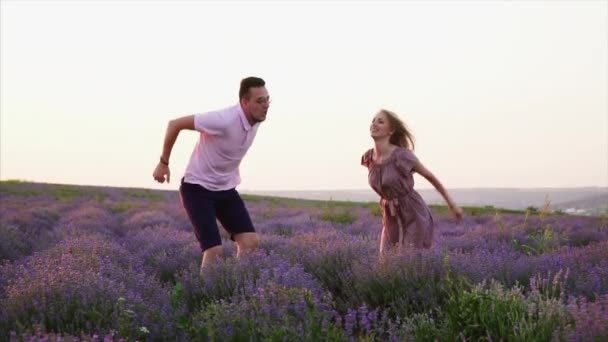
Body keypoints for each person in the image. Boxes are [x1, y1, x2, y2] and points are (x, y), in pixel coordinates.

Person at [152, 76, 270, 270]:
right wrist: (163, 163)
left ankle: (234, 287)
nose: (266, 105)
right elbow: (174, 124)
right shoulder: (223, 119)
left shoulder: (256, 119)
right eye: (260, 101)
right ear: (244, 103)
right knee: (214, 251)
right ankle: (204, 296)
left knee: (250, 242)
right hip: (197, 189)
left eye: (267, 99)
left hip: (226, 189)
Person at [361, 109, 463, 253]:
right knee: (385, 262)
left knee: (409, 261)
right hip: (390, 216)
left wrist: (452, 205)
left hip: (413, 212)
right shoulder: (369, 158)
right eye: (373, 120)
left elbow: (431, 178)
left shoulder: (402, 156)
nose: (374, 124)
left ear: (391, 130)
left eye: (380, 121)